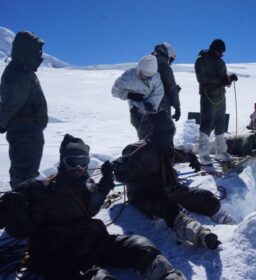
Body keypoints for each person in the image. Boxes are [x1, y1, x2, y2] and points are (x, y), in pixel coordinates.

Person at [0, 134, 184, 280]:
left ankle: (166, 275)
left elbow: (93, 205)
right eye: (72, 162)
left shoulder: (86, 186)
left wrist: (106, 181)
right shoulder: (39, 189)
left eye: (83, 162)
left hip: (93, 241)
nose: (78, 168)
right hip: (61, 254)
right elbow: (21, 230)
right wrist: (14, 211)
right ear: (62, 161)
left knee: (139, 246)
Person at [112, 111, 236, 250]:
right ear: (153, 132)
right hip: (146, 194)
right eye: (167, 132)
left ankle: (226, 221)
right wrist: (120, 169)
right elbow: (121, 174)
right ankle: (197, 234)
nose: (170, 136)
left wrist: (190, 157)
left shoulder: (165, 146)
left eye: (172, 131)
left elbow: (176, 153)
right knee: (170, 208)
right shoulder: (137, 151)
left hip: (171, 188)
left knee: (208, 198)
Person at [0, 31, 48, 189]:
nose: (40, 55)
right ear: (27, 50)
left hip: (28, 131)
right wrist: (2, 122)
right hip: (25, 132)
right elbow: (13, 102)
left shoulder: (23, 69)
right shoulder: (19, 71)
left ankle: (23, 204)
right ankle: (21, 207)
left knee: (26, 171)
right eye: (37, 51)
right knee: (24, 173)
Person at [195, 39, 238, 165]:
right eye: (219, 51)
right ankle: (203, 155)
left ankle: (221, 152)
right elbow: (201, 79)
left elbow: (223, 77)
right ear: (213, 49)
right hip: (208, 96)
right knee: (207, 123)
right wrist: (220, 81)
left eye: (222, 53)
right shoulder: (201, 60)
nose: (220, 54)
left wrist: (229, 78)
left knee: (220, 124)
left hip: (220, 97)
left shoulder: (221, 62)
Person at [112, 54, 166, 140]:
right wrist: (129, 95)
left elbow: (159, 92)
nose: (146, 78)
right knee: (144, 136)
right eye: (144, 75)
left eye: (149, 76)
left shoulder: (155, 78)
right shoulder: (128, 77)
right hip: (136, 111)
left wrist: (152, 103)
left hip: (150, 109)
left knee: (158, 133)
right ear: (139, 69)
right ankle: (145, 150)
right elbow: (114, 91)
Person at [152, 43, 181, 121]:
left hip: (145, 107)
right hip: (161, 107)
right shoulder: (165, 68)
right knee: (164, 132)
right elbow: (171, 88)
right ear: (167, 55)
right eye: (171, 59)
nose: (171, 63)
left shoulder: (147, 65)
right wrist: (177, 108)